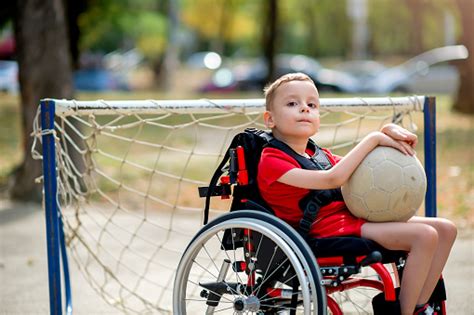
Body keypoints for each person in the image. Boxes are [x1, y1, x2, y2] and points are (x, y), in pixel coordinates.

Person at [257, 72, 457, 315]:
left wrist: (387, 134)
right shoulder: (271, 160)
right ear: (270, 119)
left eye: (312, 104)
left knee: (446, 229)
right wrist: (374, 138)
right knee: (424, 236)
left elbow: (364, 170)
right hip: (320, 229)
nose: (304, 109)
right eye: (292, 103)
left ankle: (420, 306)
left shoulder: (319, 155)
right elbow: (332, 179)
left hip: (348, 219)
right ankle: (406, 311)